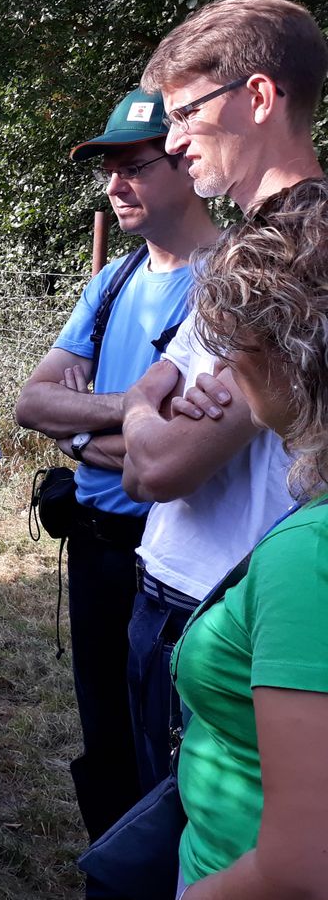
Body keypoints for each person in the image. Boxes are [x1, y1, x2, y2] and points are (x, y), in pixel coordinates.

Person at [120, 0, 325, 791]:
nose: (171, 142)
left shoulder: (287, 256)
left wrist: (140, 409)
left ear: (260, 97)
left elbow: (161, 460)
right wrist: (151, 413)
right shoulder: (253, 246)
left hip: (238, 610)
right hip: (189, 591)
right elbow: (151, 440)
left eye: (186, 113)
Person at [14, 88, 220, 842]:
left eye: (133, 165)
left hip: (185, 563)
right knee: (104, 735)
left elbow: (182, 451)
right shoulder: (113, 282)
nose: (114, 186)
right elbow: (34, 403)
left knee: (178, 750)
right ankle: (112, 870)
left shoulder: (237, 281)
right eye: (108, 170)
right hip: (99, 549)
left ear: (189, 165)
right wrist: (130, 408)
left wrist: (87, 424)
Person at [171, 178, 328, 897]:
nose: (225, 366)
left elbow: (300, 867)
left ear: (289, 350)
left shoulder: (310, 555)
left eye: (234, 343)